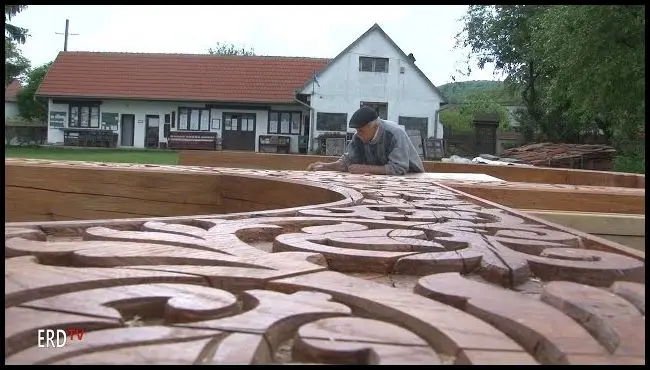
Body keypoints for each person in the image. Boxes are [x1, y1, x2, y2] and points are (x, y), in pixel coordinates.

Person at [307, 106, 425, 175]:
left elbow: (399, 168)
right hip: (384, 180)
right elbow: (347, 161)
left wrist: (366, 169)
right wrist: (326, 166)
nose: (358, 134)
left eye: (361, 130)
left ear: (374, 126)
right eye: (357, 130)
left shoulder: (394, 133)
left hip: (411, 177)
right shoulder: (358, 136)